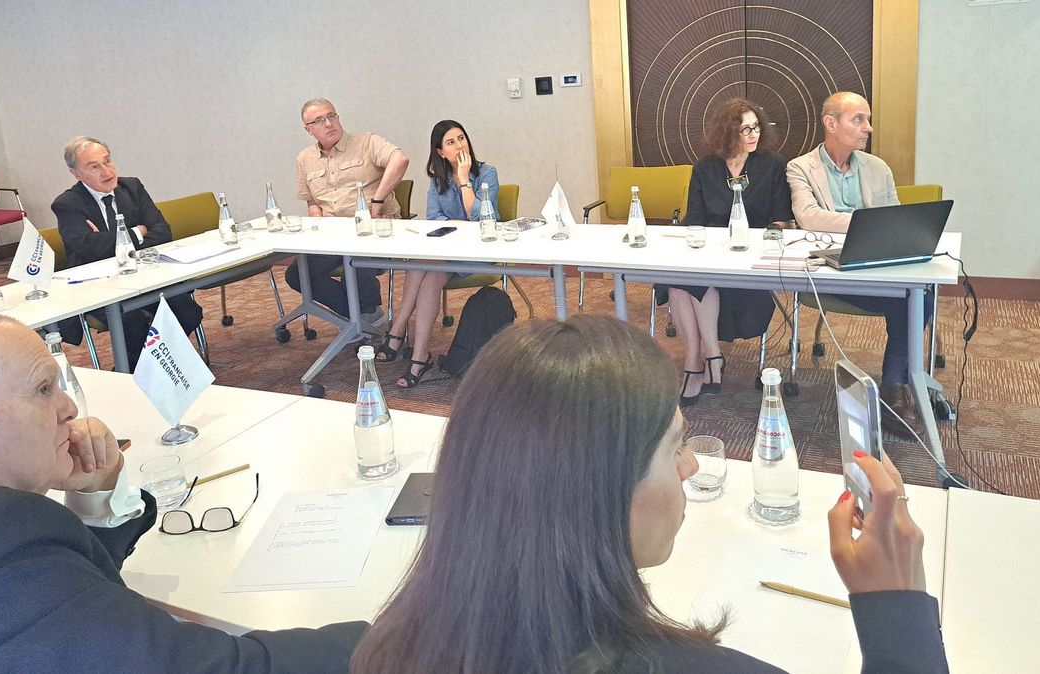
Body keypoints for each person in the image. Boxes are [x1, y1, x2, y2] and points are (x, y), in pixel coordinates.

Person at [351, 315, 948, 673]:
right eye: (674, 446)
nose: (690, 467)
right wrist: (898, 614)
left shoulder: (378, 648)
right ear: (599, 490)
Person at [0, 314, 366, 673]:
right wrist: (388, 639)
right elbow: (210, 668)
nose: (69, 408)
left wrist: (97, 488)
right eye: (43, 389)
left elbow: (72, 607)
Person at [785, 91, 929, 434]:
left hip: (874, 263)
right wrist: (865, 222)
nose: (868, 128)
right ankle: (897, 387)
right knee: (909, 299)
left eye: (868, 120)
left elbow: (893, 219)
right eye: (858, 120)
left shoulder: (877, 168)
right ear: (831, 123)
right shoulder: (800, 167)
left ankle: (894, 388)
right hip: (827, 270)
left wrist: (873, 227)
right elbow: (808, 217)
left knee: (920, 294)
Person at [660, 99, 791, 405]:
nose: (753, 134)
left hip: (751, 254)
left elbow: (782, 217)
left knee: (686, 283)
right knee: (678, 281)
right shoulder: (706, 167)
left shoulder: (771, 164)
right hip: (711, 250)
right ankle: (704, 358)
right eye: (745, 129)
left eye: (756, 127)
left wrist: (764, 236)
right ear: (727, 132)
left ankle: (700, 364)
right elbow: (695, 219)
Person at [52, 136, 204, 368]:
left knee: (187, 311)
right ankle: (133, 371)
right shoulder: (67, 204)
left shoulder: (132, 187)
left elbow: (163, 232)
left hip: (144, 277)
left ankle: (149, 369)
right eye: (94, 167)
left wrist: (109, 241)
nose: (107, 171)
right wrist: (138, 231)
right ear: (75, 173)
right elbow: (90, 248)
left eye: (107, 161)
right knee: (131, 320)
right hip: (98, 287)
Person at [376, 120, 499, 388]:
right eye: (451, 142)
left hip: (478, 251)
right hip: (446, 250)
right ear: (441, 152)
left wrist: (464, 181)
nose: (459, 146)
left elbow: (481, 218)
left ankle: (398, 334)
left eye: (462, 138)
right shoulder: (437, 179)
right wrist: (455, 224)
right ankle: (418, 353)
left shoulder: (487, 173)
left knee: (427, 268)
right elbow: (434, 218)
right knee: (423, 265)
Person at [287, 98, 409, 324]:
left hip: (373, 230)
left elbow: (400, 160)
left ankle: (366, 314)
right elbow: (312, 201)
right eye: (319, 120)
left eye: (331, 116)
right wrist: (317, 222)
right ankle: (359, 315)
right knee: (297, 274)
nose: (328, 123)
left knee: (355, 258)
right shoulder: (304, 159)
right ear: (309, 130)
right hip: (334, 236)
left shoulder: (367, 142)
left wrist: (377, 201)